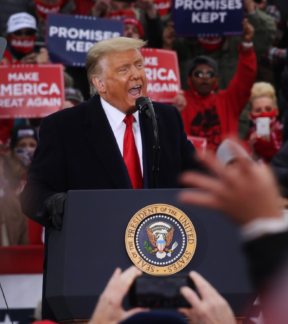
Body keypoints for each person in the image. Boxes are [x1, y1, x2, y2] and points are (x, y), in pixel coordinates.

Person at [21, 37, 199, 230]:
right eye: (124, 69)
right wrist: (54, 203)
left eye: (139, 65)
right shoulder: (63, 127)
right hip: (94, 248)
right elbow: (33, 193)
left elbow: (197, 176)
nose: (136, 75)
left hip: (157, 247)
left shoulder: (166, 118)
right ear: (100, 83)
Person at [171, 20, 257, 152]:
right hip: (190, 168)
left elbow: (246, 76)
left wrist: (246, 45)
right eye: (199, 73)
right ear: (189, 80)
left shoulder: (228, 101)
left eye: (210, 73)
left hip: (224, 169)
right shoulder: (179, 101)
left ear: (216, 81)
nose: (205, 76)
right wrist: (172, 111)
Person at [245, 82, 283, 162]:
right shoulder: (248, 140)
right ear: (250, 115)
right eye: (258, 110)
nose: (263, 114)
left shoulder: (285, 133)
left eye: (268, 109)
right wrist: (253, 154)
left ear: (276, 111)